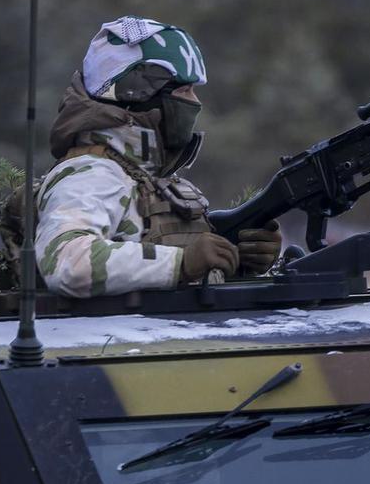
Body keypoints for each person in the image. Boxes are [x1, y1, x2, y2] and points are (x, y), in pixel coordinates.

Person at [33, 16, 281, 298]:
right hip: (118, 341)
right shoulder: (91, 174)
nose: (195, 102)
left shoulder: (147, 179)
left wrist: (238, 256)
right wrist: (181, 262)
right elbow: (67, 262)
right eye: (184, 90)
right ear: (139, 94)